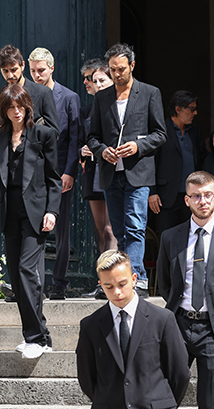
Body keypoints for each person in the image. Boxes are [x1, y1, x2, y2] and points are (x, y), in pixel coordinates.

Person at [87, 43, 167, 297]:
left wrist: (138, 145)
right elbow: (92, 136)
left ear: (132, 66)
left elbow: (160, 134)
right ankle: (122, 280)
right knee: (120, 231)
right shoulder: (102, 97)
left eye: (121, 69)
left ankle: (137, 279)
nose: (116, 74)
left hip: (138, 172)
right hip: (111, 173)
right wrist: (102, 151)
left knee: (135, 227)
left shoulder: (150, 93)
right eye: (112, 70)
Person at [158, 171, 214, 409]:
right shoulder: (170, 237)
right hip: (178, 325)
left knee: (213, 403)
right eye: (196, 196)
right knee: (164, 397)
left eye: (208, 195)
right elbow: (164, 283)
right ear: (187, 200)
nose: (203, 201)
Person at [76, 250, 190, 408]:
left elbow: (179, 373)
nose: (117, 292)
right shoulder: (90, 325)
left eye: (122, 284)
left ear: (134, 279)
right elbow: (86, 377)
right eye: (109, 287)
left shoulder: (162, 319)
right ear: (101, 285)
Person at [0, 83, 61, 358]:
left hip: (36, 213)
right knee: (16, 274)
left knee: (26, 270)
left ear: (27, 107)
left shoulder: (43, 134)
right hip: (10, 213)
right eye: (10, 107)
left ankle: (34, 337)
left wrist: (52, 211)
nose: (16, 112)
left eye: (20, 106)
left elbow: (54, 178)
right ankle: (40, 335)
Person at [28, 47, 81, 300]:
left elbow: (74, 138)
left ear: (51, 68)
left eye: (41, 70)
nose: (37, 75)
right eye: (33, 71)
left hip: (60, 172)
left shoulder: (69, 97)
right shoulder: (25, 95)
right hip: (32, 172)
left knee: (61, 229)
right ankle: (31, 282)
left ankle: (59, 281)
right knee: (32, 226)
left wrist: (70, 171)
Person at [79, 63, 117, 300]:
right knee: (99, 231)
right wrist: (81, 150)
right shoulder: (85, 110)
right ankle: (101, 281)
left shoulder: (116, 108)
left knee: (111, 229)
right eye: (96, 81)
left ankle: (112, 280)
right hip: (91, 172)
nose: (98, 85)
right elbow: (78, 138)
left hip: (111, 171)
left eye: (103, 80)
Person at [150, 91, 206, 233]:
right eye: (191, 109)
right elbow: (150, 162)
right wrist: (152, 192)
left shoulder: (195, 131)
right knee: (168, 237)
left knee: (191, 236)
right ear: (178, 109)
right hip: (167, 196)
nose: (195, 113)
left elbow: (203, 159)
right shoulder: (161, 130)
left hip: (192, 195)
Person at [0, 44, 59, 131]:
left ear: (22, 65)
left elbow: (53, 132)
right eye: (5, 71)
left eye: (13, 70)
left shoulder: (43, 93)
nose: (10, 75)